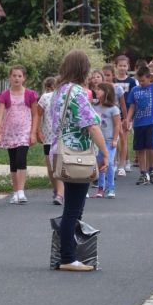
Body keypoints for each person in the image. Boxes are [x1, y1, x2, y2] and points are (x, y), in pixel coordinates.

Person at [50, 50, 109, 272]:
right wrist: (104, 153)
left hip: (60, 152)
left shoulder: (59, 91)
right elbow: (92, 125)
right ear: (83, 69)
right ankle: (68, 257)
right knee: (74, 210)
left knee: (71, 207)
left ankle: (67, 253)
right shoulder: (77, 93)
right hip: (77, 155)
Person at [0, 65, 39, 204]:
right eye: (14, 75)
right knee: (13, 162)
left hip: (24, 132)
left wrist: (33, 133)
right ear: (10, 77)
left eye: (19, 76)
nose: (16, 78)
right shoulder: (5, 95)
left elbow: (35, 114)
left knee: (21, 159)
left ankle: (21, 191)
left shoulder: (30, 94)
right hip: (9, 132)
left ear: (24, 78)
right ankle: (15, 192)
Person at [126, 64, 153, 185]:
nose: (141, 83)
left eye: (143, 80)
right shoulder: (135, 90)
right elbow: (132, 106)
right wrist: (128, 119)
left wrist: (152, 73)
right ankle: (143, 173)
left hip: (151, 123)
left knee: (151, 147)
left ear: (149, 78)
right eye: (139, 81)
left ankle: (152, 171)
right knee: (140, 149)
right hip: (138, 124)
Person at [37, 76, 64, 205]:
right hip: (48, 137)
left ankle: (60, 193)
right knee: (50, 166)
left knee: (58, 165)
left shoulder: (66, 97)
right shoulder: (45, 97)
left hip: (61, 137)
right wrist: (37, 131)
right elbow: (38, 114)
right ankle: (56, 189)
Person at [92, 82, 121, 199]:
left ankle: (111, 188)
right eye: (97, 89)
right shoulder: (94, 106)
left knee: (108, 163)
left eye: (100, 89)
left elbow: (117, 125)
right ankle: (100, 188)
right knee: (100, 164)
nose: (97, 91)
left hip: (109, 140)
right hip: (98, 141)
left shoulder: (113, 109)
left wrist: (115, 139)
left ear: (107, 92)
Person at [114, 55, 137, 176]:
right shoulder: (113, 80)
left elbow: (133, 98)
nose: (122, 68)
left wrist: (130, 116)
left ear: (128, 67)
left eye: (125, 65)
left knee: (124, 139)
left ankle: (124, 163)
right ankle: (120, 161)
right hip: (114, 113)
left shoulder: (131, 81)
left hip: (127, 113)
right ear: (116, 66)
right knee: (116, 140)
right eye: (120, 65)